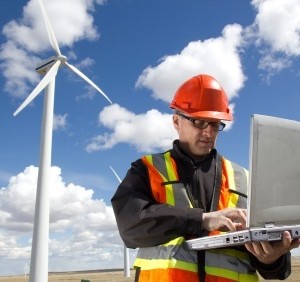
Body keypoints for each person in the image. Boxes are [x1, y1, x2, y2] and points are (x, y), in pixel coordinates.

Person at [111, 74, 300, 282]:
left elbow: (278, 270)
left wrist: (271, 260)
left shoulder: (244, 178)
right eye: (199, 122)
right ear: (176, 120)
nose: (209, 132)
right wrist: (202, 220)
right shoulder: (147, 170)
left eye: (215, 124)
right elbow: (130, 228)